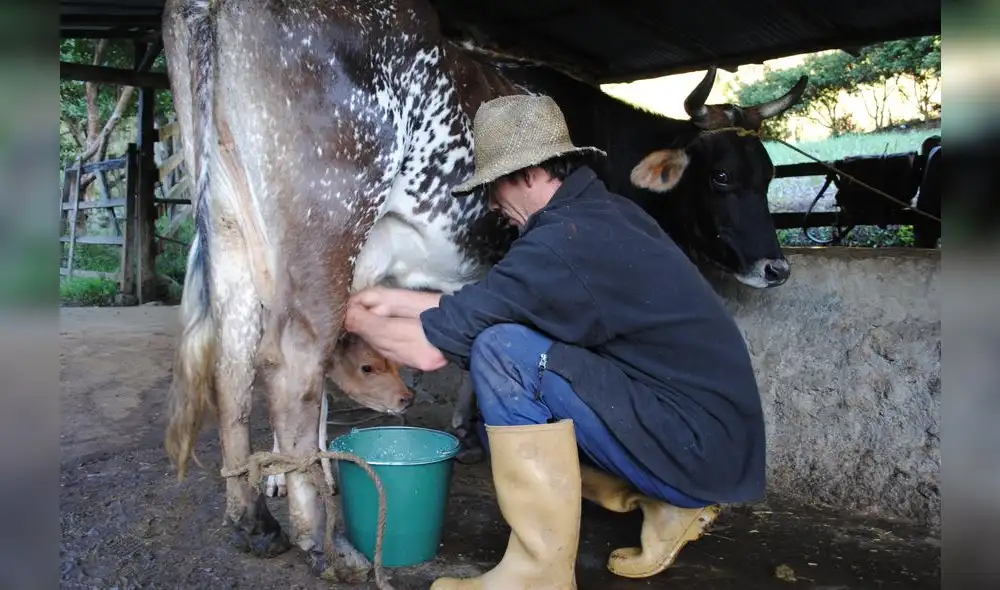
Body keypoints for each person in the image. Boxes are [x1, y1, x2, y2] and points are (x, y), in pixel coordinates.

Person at [344, 94, 767, 589]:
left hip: (694, 449)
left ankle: (538, 574)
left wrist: (344, 314)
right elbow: (488, 302)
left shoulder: (562, 243)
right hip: (710, 440)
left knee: (502, 353)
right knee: (513, 345)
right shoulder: (599, 215)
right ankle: (668, 506)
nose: (492, 203)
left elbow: (427, 350)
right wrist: (390, 299)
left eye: (494, 185)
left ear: (527, 174)